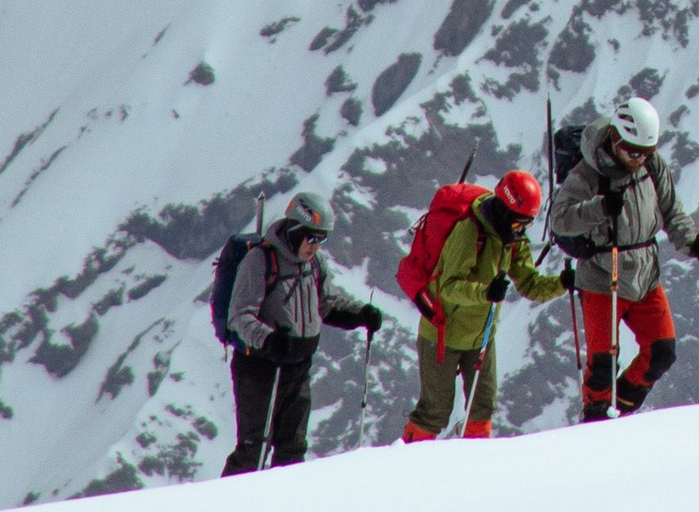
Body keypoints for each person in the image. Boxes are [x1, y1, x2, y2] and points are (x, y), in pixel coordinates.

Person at [548, 94, 699, 420]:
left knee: (661, 351)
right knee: (602, 365)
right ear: (615, 138)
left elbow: (671, 210)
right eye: (633, 152)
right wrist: (599, 208)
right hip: (602, 274)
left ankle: (621, 412)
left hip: (645, 274)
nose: (640, 159)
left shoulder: (652, 165)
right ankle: (595, 416)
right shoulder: (588, 174)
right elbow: (561, 220)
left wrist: (693, 242)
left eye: (646, 152)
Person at [222, 192, 384, 472]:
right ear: (295, 229)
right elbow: (239, 316)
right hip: (261, 370)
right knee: (254, 450)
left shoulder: (314, 264)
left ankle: (284, 500)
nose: (316, 246)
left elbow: (328, 303)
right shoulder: (260, 260)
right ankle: (228, 500)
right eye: (312, 238)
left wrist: (360, 314)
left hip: (298, 369)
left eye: (322, 240)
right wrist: (269, 339)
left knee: (293, 449)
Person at [401, 169, 567, 440]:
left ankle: (474, 459)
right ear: (504, 209)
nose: (521, 230)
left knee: (482, 409)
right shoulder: (469, 231)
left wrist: (563, 283)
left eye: (526, 224)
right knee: (434, 413)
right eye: (518, 223)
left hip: (481, 336)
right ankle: (408, 460)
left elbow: (529, 283)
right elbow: (448, 287)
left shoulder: (511, 237)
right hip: (443, 333)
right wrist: (485, 293)